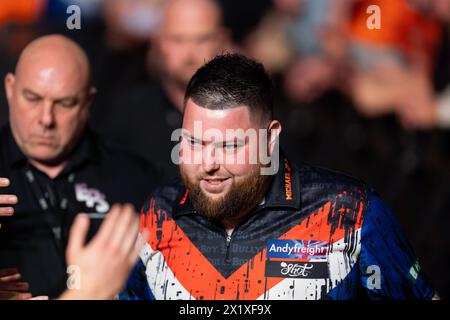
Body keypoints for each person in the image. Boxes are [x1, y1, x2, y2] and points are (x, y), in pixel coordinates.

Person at [121, 53, 438, 300]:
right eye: (193, 142)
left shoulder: (351, 214)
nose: (208, 164)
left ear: (270, 140)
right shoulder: (157, 217)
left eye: (230, 145)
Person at [0, 34, 159, 298]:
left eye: (65, 103)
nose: (46, 119)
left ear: (88, 102)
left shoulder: (137, 178)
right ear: (9, 88)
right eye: (32, 98)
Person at [90, 0, 231, 183]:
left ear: (222, 40)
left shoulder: (248, 114)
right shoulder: (126, 115)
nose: (189, 53)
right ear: (159, 42)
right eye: (178, 40)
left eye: (202, 39)